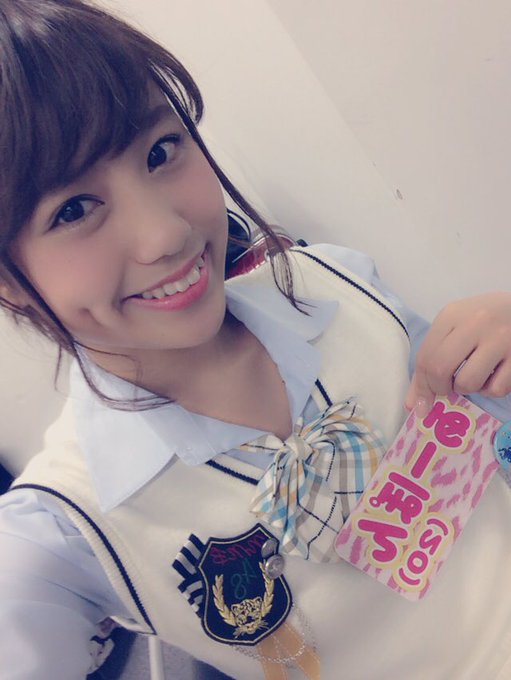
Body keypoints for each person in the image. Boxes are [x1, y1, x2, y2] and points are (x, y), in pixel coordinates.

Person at [0, 1, 511, 678]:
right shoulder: (65, 531)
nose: (167, 234)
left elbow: (488, 440)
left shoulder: (339, 283)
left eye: (161, 151)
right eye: (72, 210)